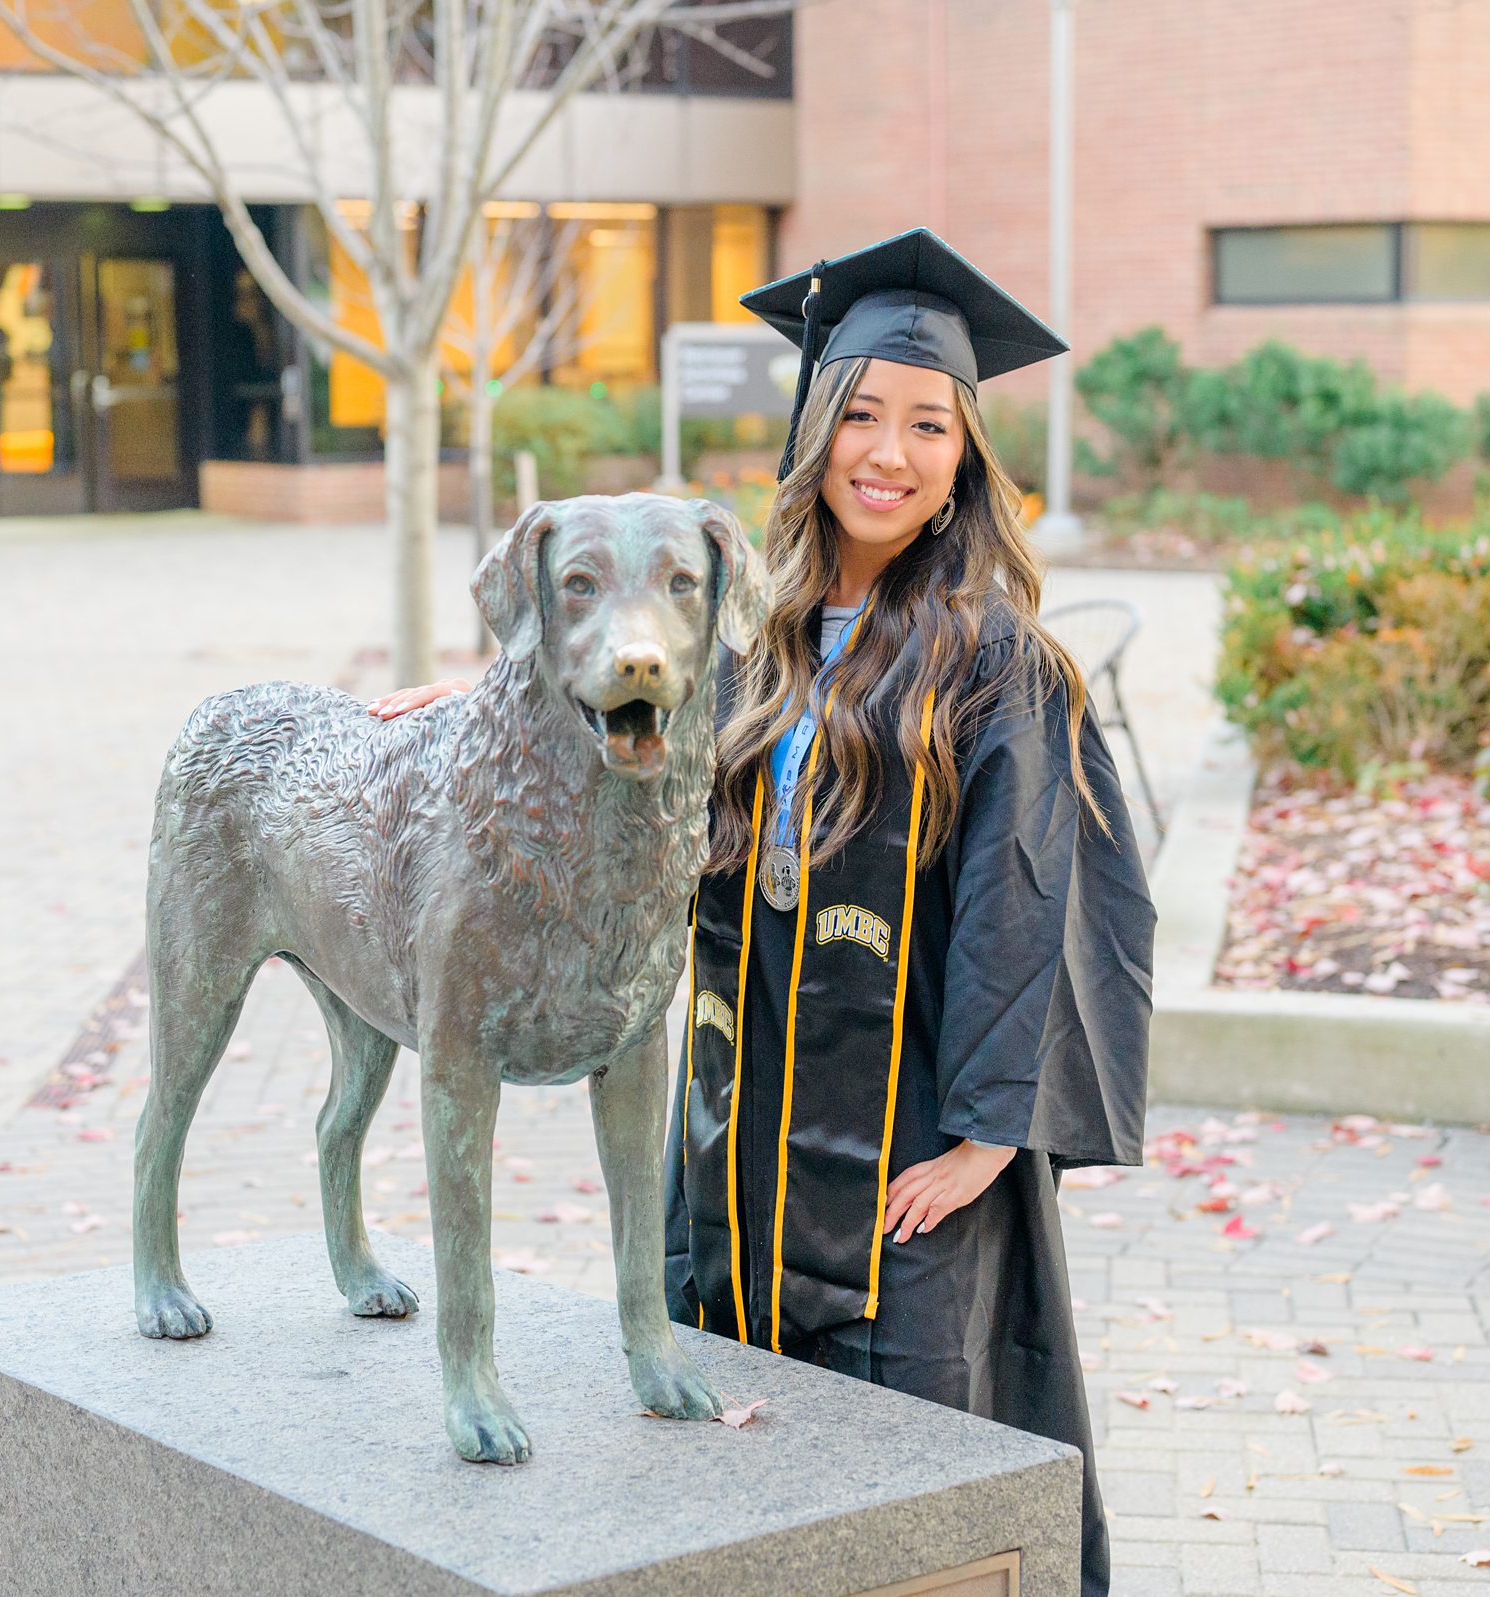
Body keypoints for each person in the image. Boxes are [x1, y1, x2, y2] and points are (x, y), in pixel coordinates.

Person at [368, 229, 1152, 1597]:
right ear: (814, 430)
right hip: (737, 1160)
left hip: (901, 1182)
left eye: (927, 425)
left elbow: (1023, 903)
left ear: (965, 453)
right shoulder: (759, 645)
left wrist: (988, 1131)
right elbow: (620, 706)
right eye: (859, 415)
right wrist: (487, 698)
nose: (889, 454)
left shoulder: (994, 662)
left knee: (903, 1498)